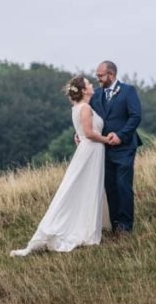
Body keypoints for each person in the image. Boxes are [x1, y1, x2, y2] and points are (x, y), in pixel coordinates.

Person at [10, 76, 111, 257]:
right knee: (83, 187)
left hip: (90, 150)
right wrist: (108, 140)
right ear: (83, 90)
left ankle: (86, 224)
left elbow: (82, 132)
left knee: (85, 187)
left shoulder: (78, 107)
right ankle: (76, 228)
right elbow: (88, 133)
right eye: (88, 83)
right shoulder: (86, 107)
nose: (91, 85)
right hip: (91, 150)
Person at [89, 60, 142, 233]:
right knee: (110, 187)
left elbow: (135, 116)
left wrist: (120, 135)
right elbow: (88, 119)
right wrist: (81, 134)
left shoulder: (128, 91)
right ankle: (115, 225)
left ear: (111, 74)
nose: (98, 78)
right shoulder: (95, 95)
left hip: (125, 147)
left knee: (123, 185)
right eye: (97, 75)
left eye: (101, 75)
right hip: (103, 149)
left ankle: (126, 227)